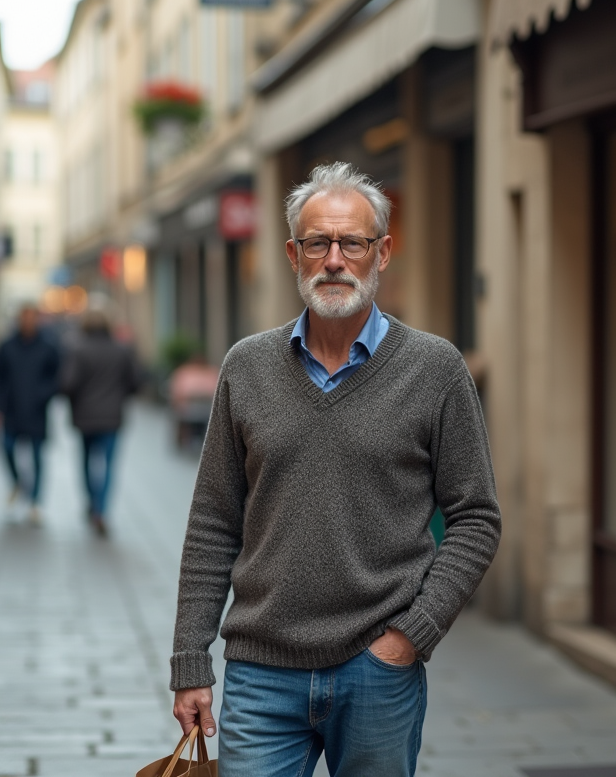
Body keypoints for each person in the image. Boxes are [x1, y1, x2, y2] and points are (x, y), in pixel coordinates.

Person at [169, 162, 502, 777]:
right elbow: (214, 521)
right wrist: (191, 660)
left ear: (383, 252)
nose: (334, 260)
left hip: (378, 672)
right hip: (261, 672)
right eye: (318, 243)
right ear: (293, 254)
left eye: (353, 243)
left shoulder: (435, 369)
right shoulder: (247, 367)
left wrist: (412, 635)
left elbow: (476, 517)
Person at [60, 307, 141, 536]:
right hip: (112, 417)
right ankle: (101, 511)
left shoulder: (77, 350)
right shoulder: (121, 350)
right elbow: (135, 383)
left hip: (84, 416)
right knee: (108, 464)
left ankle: (91, 502)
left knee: (86, 461)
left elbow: (68, 384)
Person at [0, 303, 61, 526]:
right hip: (11, 410)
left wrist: (43, 395)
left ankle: (35, 502)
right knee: (7, 448)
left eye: (31, 317)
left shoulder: (48, 346)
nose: (28, 322)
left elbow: (56, 376)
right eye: (24, 317)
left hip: (37, 411)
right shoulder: (7, 346)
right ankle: (18, 482)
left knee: (37, 457)